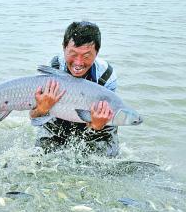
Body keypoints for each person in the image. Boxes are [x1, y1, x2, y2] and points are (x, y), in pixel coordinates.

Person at [29, 21, 119, 157]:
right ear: (64, 48)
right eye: (73, 54)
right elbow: (33, 117)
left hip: (95, 122)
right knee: (40, 158)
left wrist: (96, 125)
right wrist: (42, 109)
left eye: (86, 56)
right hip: (57, 118)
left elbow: (108, 119)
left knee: (107, 160)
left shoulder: (106, 76)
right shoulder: (52, 70)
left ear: (97, 53)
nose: (78, 62)